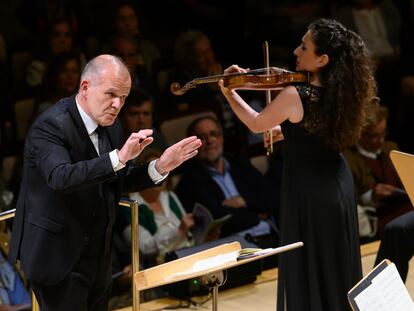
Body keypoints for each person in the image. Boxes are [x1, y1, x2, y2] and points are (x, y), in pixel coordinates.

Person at [8, 54, 201, 311]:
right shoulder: (50, 125)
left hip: (98, 256)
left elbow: (117, 178)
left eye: (123, 97)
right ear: (86, 87)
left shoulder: (111, 125)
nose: (117, 104)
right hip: (59, 256)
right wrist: (119, 157)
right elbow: (60, 177)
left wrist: (160, 166)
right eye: (111, 94)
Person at [218, 18, 376, 310]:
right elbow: (316, 131)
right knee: (335, 264)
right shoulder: (343, 91)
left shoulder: (294, 94)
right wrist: (285, 132)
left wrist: (229, 92)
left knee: (312, 264)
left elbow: (255, 124)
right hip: (338, 187)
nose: (295, 51)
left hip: (310, 191)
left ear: (322, 59)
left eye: (304, 47)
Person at [175, 115, 278, 240]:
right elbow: (217, 219)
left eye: (214, 134)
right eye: (202, 137)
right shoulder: (188, 182)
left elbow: (272, 196)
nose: (210, 140)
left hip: (268, 235)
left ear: (222, 138)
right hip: (232, 246)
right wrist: (257, 215)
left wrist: (243, 200)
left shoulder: (240, 164)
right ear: (191, 145)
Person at [344, 102, 412, 239]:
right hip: (377, 219)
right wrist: (372, 195)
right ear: (360, 134)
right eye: (374, 136)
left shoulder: (390, 148)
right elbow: (350, 200)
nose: (381, 140)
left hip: (404, 209)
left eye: (383, 133)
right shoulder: (349, 158)